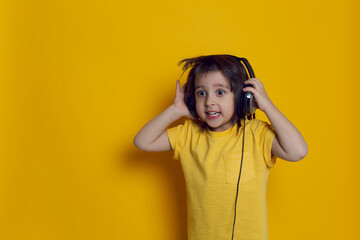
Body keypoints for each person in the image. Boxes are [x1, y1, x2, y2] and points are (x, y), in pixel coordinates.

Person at [133, 54, 308, 240]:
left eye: (220, 92)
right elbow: (143, 141)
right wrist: (175, 110)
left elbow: (298, 151)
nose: (209, 102)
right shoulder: (188, 135)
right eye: (201, 93)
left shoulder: (257, 134)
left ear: (242, 97)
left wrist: (267, 105)